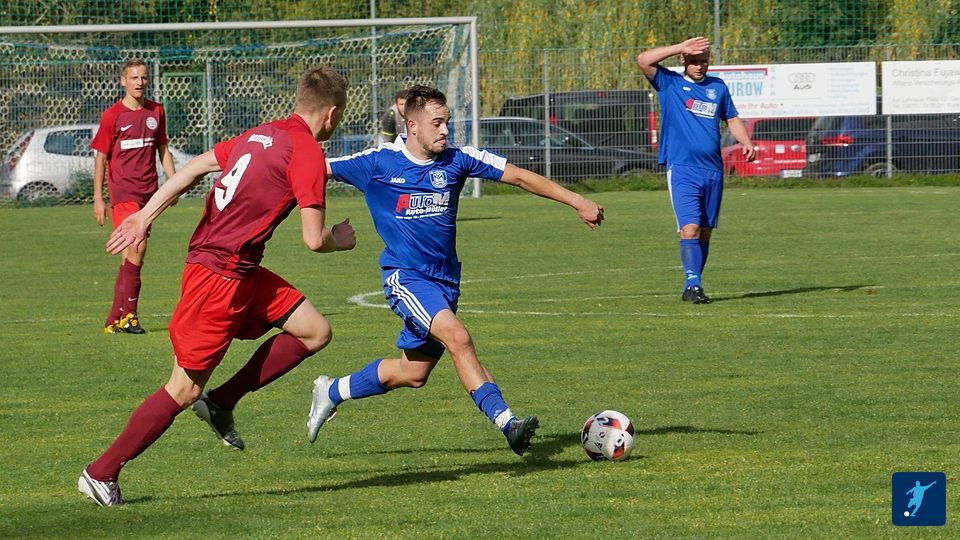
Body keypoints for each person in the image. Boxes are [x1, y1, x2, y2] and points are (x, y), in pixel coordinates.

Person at [78, 67, 355, 507]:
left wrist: (144, 215)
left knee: (314, 330)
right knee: (183, 388)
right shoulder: (306, 151)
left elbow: (196, 167)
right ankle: (100, 472)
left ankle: (222, 401)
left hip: (239, 269)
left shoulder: (261, 134)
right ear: (332, 113)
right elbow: (313, 238)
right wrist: (339, 240)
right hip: (219, 279)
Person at [306, 85, 605, 456]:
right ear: (412, 126)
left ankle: (332, 390)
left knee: (413, 373)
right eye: (437, 123)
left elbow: (519, 177)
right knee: (458, 338)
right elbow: (312, 170)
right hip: (405, 278)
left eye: (447, 121)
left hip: (445, 282)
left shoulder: (458, 159)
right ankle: (508, 424)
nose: (445, 130)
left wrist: (577, 201)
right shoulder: (377, 162)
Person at [636, 37, 755, 304]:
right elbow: (643, 60)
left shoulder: (717, 87)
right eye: (694, 61)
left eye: (704, 61)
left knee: (705, 230)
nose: (700, 66)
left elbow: (731, 118)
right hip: (682, 168)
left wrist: (745, 141)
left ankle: (693, 285)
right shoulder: (670, 83)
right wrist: (680, 47)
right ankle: (693, 284)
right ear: (683, 61)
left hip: (713, 170)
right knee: (689, 228)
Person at [91, 59, 177, 334]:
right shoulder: (112, 115)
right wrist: (98, 198)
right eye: (134, 78)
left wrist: (174, 183)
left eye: (143, 77)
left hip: (149, 194)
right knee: (137, 248)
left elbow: (163, 149)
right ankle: (129, 316)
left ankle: (113, 320)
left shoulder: (156, 111)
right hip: (123, 193)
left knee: (130, 255)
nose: (139, 82)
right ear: (123, 81)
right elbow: (101, 158)